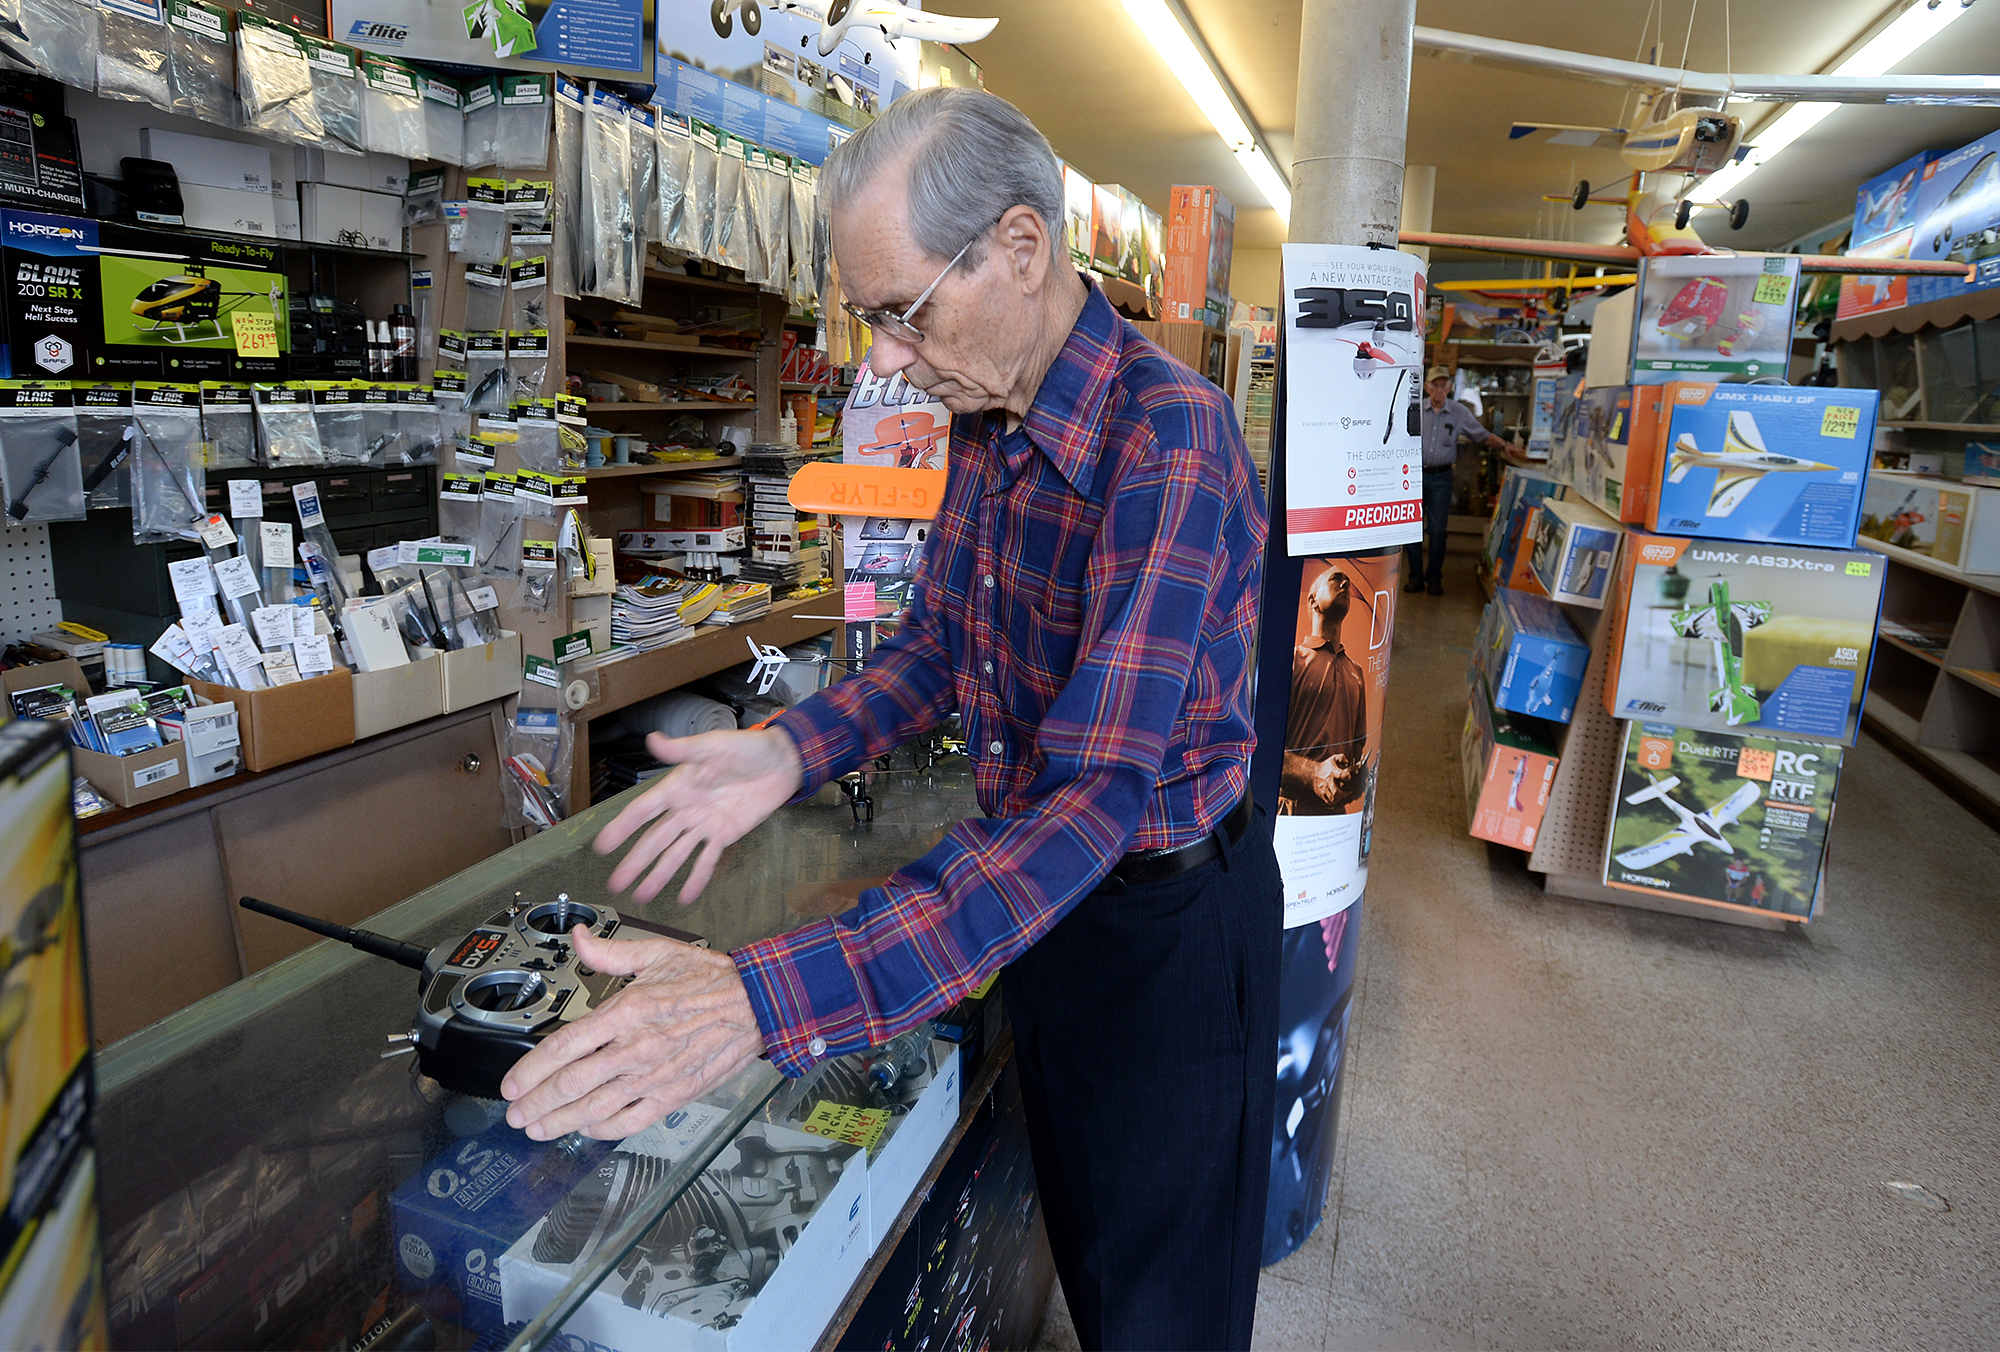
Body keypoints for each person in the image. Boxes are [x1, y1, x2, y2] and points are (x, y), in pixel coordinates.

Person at [500, 86, 1281, 1352]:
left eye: (899, 313)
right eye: (867, 321)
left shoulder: (1169, 443)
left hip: (1162, 935)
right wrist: (787, 747)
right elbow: (936, 648)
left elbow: (1089, 800)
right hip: (1044, 912)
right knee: (1084, 1244)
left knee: (1162, 1307)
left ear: (1020, 249)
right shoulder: (988, 412)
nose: (882, 358)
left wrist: (758, 997)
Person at [1405, 366, 1523, 596]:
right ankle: (1416, 577)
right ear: (1427, 386)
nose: (1439, 390)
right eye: (1434, 385)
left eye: (1444, 385)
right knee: (1413, 530)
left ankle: (1435, 579)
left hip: (1441, 478)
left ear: (1450, 388)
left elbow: (1480, 434)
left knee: (1438, 531)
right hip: (1415, 477)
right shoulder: (1416, 410)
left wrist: (1505, 445)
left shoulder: (1458, 412)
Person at [1281, 564, 1367, 815]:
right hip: (1291, 813)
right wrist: (1314, 772)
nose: (1345, 585)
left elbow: (1357, 748)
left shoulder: (1356, 672)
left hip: (1335, 818)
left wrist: (1355, 779)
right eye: (1335, 579)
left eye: (1348, 581)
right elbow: (1260, 748)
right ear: (1313, 600)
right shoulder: (1293, 661)